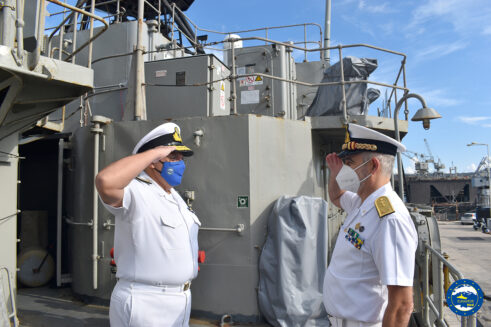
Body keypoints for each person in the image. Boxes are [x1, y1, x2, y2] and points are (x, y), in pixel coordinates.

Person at [95, 122, 201, 327]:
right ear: (153, 161)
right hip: (147, 301)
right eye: (173, 156)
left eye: (180, 157)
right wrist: (155, 152)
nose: (180, 162)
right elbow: (105, 181)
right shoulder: (136, 191)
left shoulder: (174, 196)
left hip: (180, 300)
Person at [323, 124, 418, 327]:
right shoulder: (362, 201)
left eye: (349, 163)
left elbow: (402, 304)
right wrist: (336, 173)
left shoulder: (389, 219)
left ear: (373, 166)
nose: (345, 168)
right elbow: (336, 196)